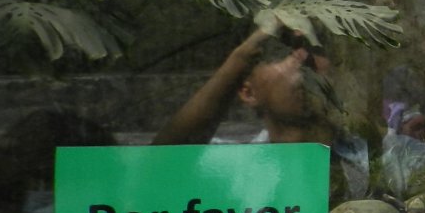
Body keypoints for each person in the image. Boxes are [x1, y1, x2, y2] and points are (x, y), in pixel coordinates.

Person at [154, 23, 369, 202]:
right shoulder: (235, 166)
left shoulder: (373, 155)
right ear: (247, 92)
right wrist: (240, 58)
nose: (303, 57)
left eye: (318, 47)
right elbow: (159, 172)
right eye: (281, 49)